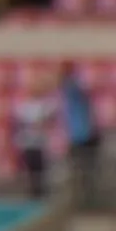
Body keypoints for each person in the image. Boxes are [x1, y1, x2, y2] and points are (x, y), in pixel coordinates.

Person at [58, 62, 103, 203]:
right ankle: (82, 197)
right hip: (78, 135)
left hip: (85, 134)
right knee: (80, 168)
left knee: (86, 168)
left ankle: (87, 197)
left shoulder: (74, 86)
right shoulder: (69, 89)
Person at [11, 77, 57, 199]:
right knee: (31, 170)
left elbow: (50, 120)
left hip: (40, 143)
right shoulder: (24, 107)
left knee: (41, 169)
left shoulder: (45, 106)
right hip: (28, 143)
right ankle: (33, 194)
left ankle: (42, 194)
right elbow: (19, 125)